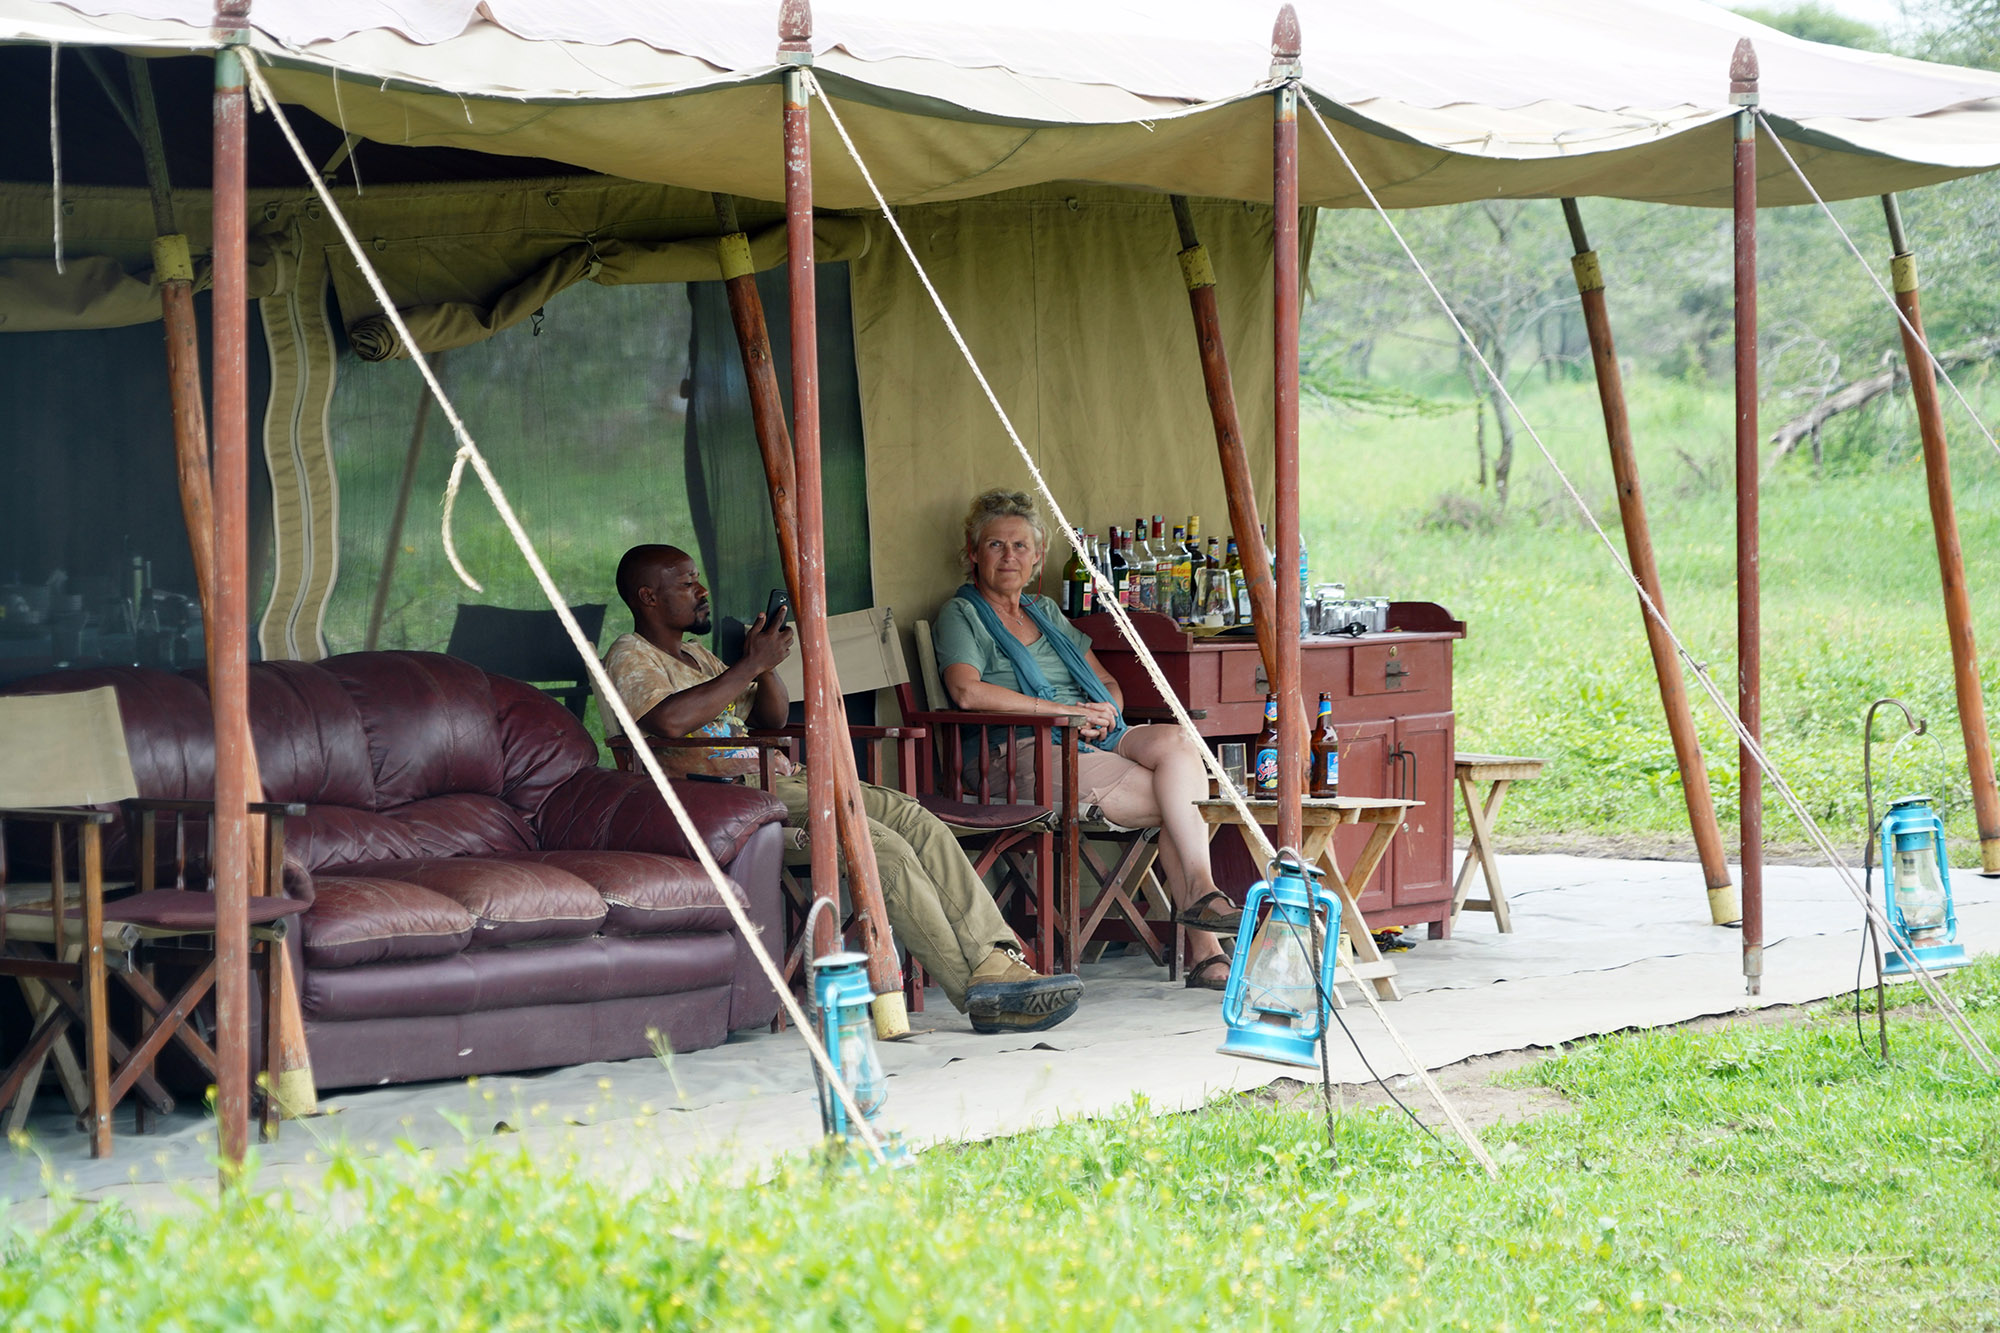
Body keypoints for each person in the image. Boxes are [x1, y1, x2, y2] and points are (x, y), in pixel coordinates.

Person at [601, 543, 1082, 1034]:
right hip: (721, 799)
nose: (702, 591)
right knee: (880, 848)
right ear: (648, 597)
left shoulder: (698, 656)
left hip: (776, 780)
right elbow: (668, 721)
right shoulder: (629, 654)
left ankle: (998, 959)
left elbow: (771, 718)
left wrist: (763, 665)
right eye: (687, 583)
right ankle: (982, 994)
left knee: (917, 819)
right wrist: (747, 667)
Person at [933, 489, 1239, 990]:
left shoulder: (1045, 612)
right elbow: (966, 692)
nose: (1009, 556)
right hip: (1018, 750)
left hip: (1091, 735)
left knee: (1180, 745)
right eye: (995, 545)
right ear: (973, 553)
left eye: (1020, 546)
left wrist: (1105, 710)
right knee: (1184, 801)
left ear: (1038, 557)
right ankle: (1206, 948)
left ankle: (1203, 895)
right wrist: (1066, 713)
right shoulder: (961, 614)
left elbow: (1107, 682)